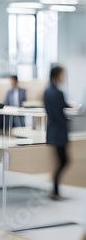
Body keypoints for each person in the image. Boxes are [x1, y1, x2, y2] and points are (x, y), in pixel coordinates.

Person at [44, 66, 70, 200]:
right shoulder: (58, 93)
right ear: (57, 75)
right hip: (60, 132)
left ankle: (55, 191)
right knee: (64, 161)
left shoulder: (47, 92)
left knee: (61, 161)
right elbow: (61, 111)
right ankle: (54, 191)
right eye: (62, 74)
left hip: (53, 131)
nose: (63, 77)